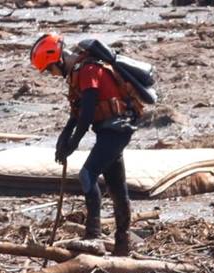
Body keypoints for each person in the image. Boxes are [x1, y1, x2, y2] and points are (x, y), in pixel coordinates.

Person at [30, 33, 138, 256]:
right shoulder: (78, 72)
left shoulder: (88, 71)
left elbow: (88, 113)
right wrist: (64, 139)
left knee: (87, 175)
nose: (52, 75)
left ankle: (94, 236)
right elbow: (77, 112)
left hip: (116, 130)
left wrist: (73, 144)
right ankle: (122, 245)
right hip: (110, 132)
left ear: (58, 59)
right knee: (116, 185)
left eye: (50, 69)